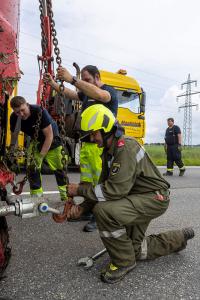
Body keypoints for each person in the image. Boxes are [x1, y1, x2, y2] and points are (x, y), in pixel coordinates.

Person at [66, 104, 194, 284]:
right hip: (138, 197)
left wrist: (78, 190)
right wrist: (82, 207)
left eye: (94, 134)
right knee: (136, 250)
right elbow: (103, 187)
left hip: (153, 198)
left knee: (103, 211)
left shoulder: (125, 147)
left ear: (106, 129)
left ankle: (123, 262)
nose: (93, 139)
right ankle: (179, 238)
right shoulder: (109, 152)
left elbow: (113, 191)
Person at [44, 65, 118, 231]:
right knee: (87, 182)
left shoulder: (108, 91)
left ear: (97, 77)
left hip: (101, 146)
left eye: (88, 80)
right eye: (83, 80)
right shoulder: (86, 93)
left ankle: (100, 216)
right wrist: (54, 84)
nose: (84, 83)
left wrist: (72, 79)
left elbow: (100, 95)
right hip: (87, 144)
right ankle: (88, 210)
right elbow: (73, 94)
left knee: (101, 183)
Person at [9, 96, 68, 201]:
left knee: (59, 170)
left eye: (23, 110)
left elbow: (49, 136)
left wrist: (41, 156)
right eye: (17, 112)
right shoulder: (14, 118)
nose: (21, 114)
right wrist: (13, 155)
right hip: (36, 141)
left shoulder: (39, 111)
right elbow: (14, 137)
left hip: (52, 140)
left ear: (27, 105)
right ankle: (37, 199)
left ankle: (66, 198)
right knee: (33, 169)